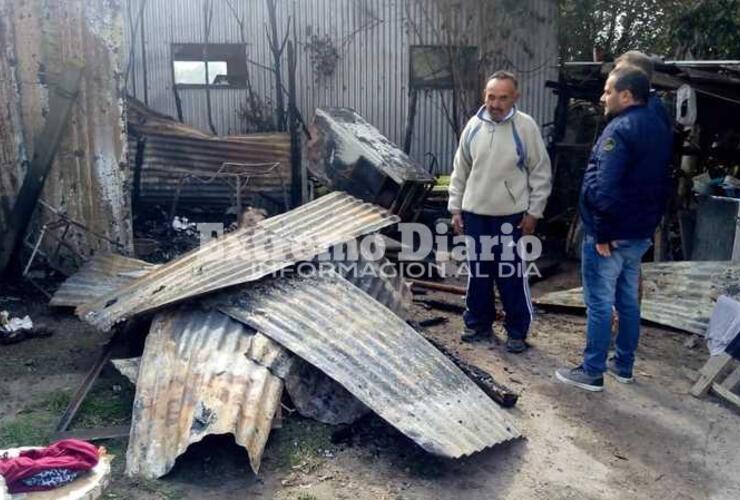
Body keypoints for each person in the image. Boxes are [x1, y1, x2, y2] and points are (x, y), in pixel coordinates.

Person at [555, 66, 673, 391]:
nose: (602, 97)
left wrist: (603, 232)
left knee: (600, 303)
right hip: (638, 232)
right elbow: (662, 182)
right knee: (628, 302)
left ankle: (592, 371)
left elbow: (605, 187)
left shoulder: (620, 130)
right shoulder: (658, 124)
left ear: (626, 95)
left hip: (610, 235)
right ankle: (623, 365)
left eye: (608, 91)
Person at [448, 70, 552, 353]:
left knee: (510, 275)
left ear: (515, 98)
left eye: (502, 98)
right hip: (475, 215)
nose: (495, 103)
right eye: (490, 96)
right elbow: (461, 169)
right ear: (485, 95)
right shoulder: (473, 127)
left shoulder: (525, 127)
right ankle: (478, 325)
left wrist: (534, 213)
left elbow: (540, 172)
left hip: (510, 218)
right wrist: (456, 207)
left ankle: (517, 331)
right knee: (478, 274)